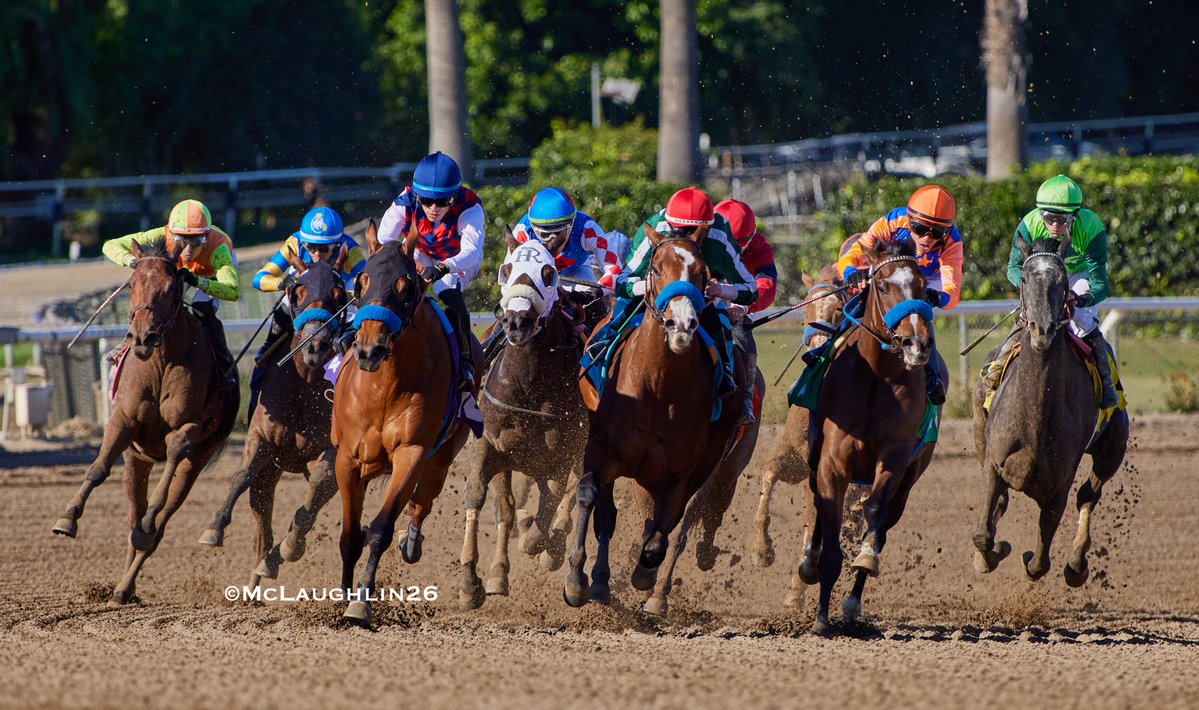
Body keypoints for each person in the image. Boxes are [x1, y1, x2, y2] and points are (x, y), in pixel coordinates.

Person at [598, 186, 757, 408]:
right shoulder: (655, 228)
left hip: (702, 296)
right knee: (617, 317)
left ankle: (726, 374)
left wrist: (721, 290)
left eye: (693, 232)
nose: (685, 238)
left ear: (707, 228)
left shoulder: (720, 236)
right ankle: (597, 354)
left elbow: (752, 289)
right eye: (679, 230)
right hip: (654, 289)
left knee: (720, 323)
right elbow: (623, 283)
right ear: (669, 224)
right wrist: (650, 286)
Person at [834, 184, 963, 404]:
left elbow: (952, 291)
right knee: (861, 300)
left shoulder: (952, 241)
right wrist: (851, 273)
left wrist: (938, 298)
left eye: (937, 233)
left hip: (926, 278)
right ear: (910, 220)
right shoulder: (893, 220)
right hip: (890, 271)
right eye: (920, 229)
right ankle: (824, 353)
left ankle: (932, 376)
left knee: (919, 317)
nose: (927, 238)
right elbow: (855, 252)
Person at [997, 174, 1118, 407]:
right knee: (1029, 316)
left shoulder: (1091, 227)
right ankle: (994, 372)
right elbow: (1013, 268)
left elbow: (1101, 285)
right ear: (1040, 214)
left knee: (1082, 318)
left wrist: (1081, 299)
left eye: (1062, 219)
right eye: (1049, 218)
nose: (1055, 226)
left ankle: (1106, 383)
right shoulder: (1029, 225)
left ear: (1075, 215)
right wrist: (1030, 287)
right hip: (1042, 275)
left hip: (1078, 274)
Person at [374, 151, 484, 390]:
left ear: (454, 195)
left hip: (458, 259)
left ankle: (465, 360)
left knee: (447, 291)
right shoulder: (403, 203)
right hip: (421, 252)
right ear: (417, 194)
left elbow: (472, 253)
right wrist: (412, 264)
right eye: (426, 200)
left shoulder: (470, 207)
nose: (434, 208)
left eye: (443, 201)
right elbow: (384, 241)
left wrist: (443, 267)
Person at [102, 199, 240, 382]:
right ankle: (127, 344)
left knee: (201, 307)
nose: (188, 249)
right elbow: (110, 245)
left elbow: (233, 290)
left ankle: (224, 364)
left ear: (206, 237)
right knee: (155, 299)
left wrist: (198, 281)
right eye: (181, 240)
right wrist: (132, 261)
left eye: (197, 241)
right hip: (181, 270)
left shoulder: (219, 249)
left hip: (210, 273)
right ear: (171, 233)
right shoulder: (161, 234)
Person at [248, 206, 366, 414]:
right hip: (299, 306)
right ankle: (256, 399)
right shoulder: (294, 242)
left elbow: (366, 286)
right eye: (311, 247)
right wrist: (281, 282)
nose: (317, 254)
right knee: (265, 354)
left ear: (337, 244)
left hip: (337, 307)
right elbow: (259, 279)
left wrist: (346, 295)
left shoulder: (351, 249)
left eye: (324, 248)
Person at [485, 187, 624, 359]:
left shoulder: (587, 228)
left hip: (575, 274)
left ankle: (601, 350)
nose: (551, 240)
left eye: (558, 232)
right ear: (533, 226)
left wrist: (595, 292)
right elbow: (508, 279)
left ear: (571, 224)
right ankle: (489, 349)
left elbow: (614, 267)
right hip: (537, 280)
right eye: (543, 233)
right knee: (515, 308)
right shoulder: (522, 231)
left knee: (598, 305)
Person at [714, 198, 778, 425]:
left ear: (750, 239)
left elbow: (767, 284)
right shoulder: (700, 236)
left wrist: (742, 306)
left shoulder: (759, 246)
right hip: (700, 301)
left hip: (735, 307)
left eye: (739, 243)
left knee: (743, 337)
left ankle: (746, 400)